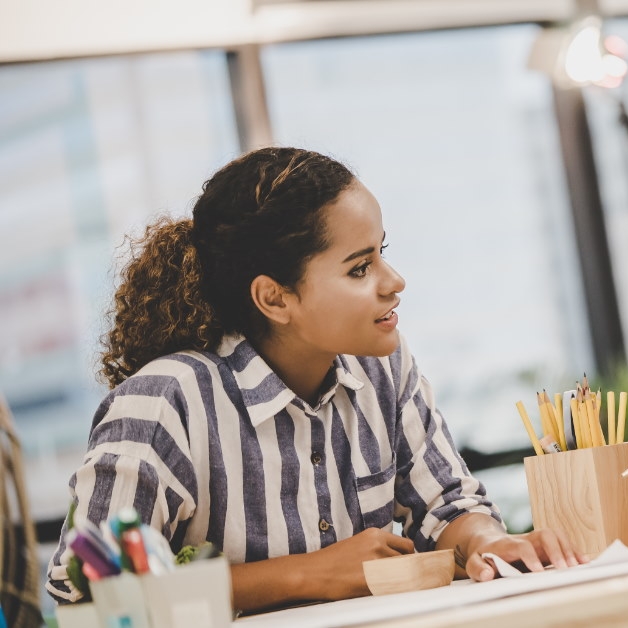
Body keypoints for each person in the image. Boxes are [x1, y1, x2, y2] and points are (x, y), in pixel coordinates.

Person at [46, 147, 584, 613]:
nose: (394, 282)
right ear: (275, 298)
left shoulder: (382, 370)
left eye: (383, 254)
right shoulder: (165, 404)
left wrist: (489, 541)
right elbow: (87, 590)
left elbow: (447, 506)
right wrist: (309, 573)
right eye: (359, 267)